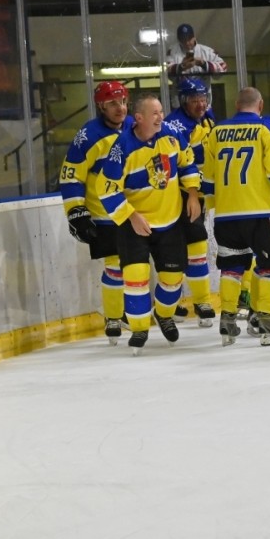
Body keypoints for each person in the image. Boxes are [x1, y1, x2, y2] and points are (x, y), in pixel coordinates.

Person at [97, 94, 201, 353]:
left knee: (173, 279)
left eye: (161, 112)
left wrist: (192, 194)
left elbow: (188, 163)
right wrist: (132, 216)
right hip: (135, 225)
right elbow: (106, 189)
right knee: (135, 278)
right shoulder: (122, 147)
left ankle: (163, 315)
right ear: (139, 118)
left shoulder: (172, 135)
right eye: (154, 113)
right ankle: (139, 329)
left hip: (170, 221)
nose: (160, 117)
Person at [201, 87, 270, 346]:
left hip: (226, 214)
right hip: (260, 212)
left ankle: (227, 319)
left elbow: (208, 176)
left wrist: (211, 205)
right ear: (260, 105)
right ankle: (267, 319)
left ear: (237, 105)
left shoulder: (216, 132)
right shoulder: (265, 129)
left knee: (232, 267)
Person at [59, 81, 134, 344]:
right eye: (113, 103)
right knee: (115, 266)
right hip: (105, 213)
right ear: (101, 106)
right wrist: (76, 211)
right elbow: (71, 176)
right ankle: (113, 316)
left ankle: (127, 311)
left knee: (136, 265)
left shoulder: (135, 127)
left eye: (123, 102)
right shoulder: (88, 135)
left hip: (134, 211)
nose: (120, 108)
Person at [164, 78, 217, 326]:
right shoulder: (174, 126)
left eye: (203, 98)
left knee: (193, 246)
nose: (200, 104)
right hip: (180, 195)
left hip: (197, 193)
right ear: (183, 101)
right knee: (186, 247)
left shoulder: (206, 118)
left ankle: (192, 302)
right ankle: (188, 303)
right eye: (195, 100)